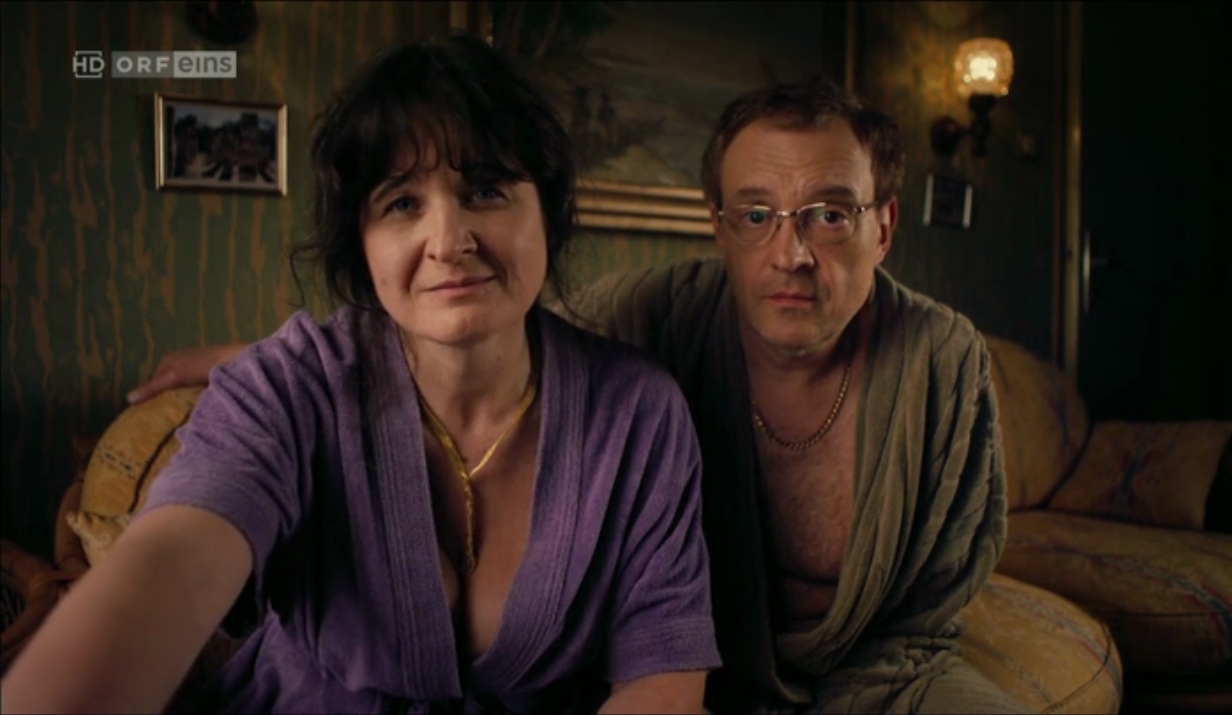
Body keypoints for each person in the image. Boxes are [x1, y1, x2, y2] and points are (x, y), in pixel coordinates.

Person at [120, 77, 1023, 713]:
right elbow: (477, 322)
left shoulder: (941, 359)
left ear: (883, 226)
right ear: (717, 225)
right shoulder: (656, 314)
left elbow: (938, 596)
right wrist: (274, 359)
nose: (791, 252)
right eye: (756, 214)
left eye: (829, 213)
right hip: (726, 679)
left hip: (883, 681)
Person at [0, 36, 721, 714]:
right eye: (402, 203)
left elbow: (662, 675)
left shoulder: (639, 413)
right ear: (361, 242)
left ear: (548, 214)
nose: (448, 240)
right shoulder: (285, 390)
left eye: (486, 190)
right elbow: (171, 565)